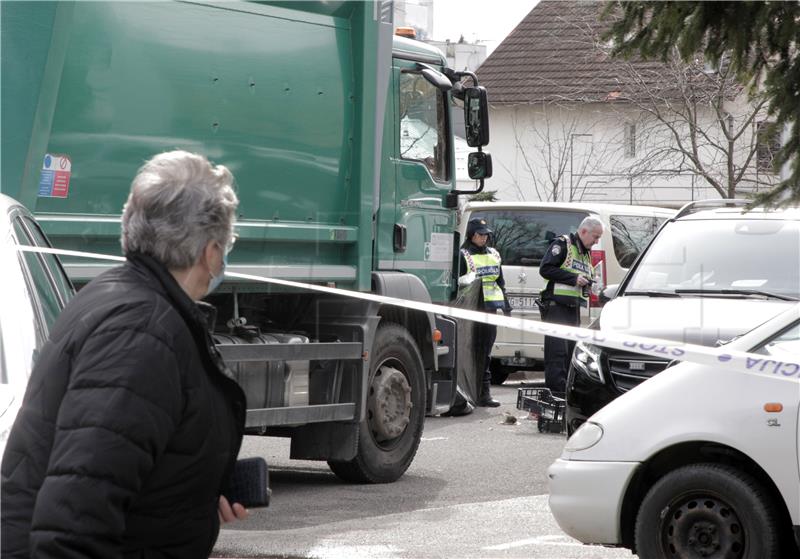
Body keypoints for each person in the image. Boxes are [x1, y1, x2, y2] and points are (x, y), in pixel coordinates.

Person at [1, 150, 249, 558]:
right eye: (227, 244)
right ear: (210, 251)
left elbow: (119, 456)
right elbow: (76, 515)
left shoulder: (118, 298)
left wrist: (195, 485)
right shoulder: (142, 333)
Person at [538, 216, 604, 395]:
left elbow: (581, 275)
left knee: (569, 353)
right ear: (583, 231)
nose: (596, 241)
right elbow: (545, 269)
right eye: (595, 237)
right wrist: (574, 279)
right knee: (557, 354)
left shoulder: (586, 252)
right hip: (556, 307)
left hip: (572, 307)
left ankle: (565, 394)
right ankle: (555, 395)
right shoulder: (563, 244)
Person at [457, 217, 511, 408]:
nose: (484, 238)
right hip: (470, 311)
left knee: (486, 353)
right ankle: (467, 394)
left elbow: (500, 282)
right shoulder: (463, 255)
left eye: (486, 235)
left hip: (490, 309)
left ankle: (484, 393)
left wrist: (506, 307)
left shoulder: (494, 254)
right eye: (480, 235)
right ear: (472, 235)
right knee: (469, 353)